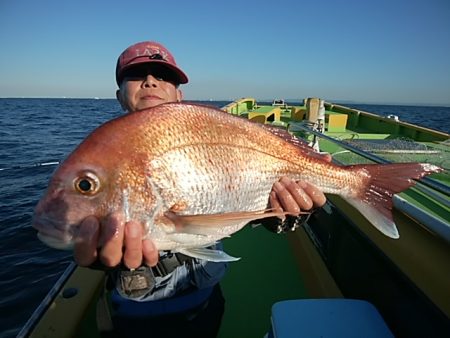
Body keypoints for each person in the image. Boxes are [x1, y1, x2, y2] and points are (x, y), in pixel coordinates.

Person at [73, 41, 328, 338]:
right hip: (136, 312)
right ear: (119, 96)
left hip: (206, 299)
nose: (150, 80)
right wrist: (95, 256)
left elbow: (240, 189)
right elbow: (75, 222)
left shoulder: (213, 135)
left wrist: (282, 215)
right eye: (136, 74)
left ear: (179, 96)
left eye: (163, 75)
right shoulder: (104, 155)